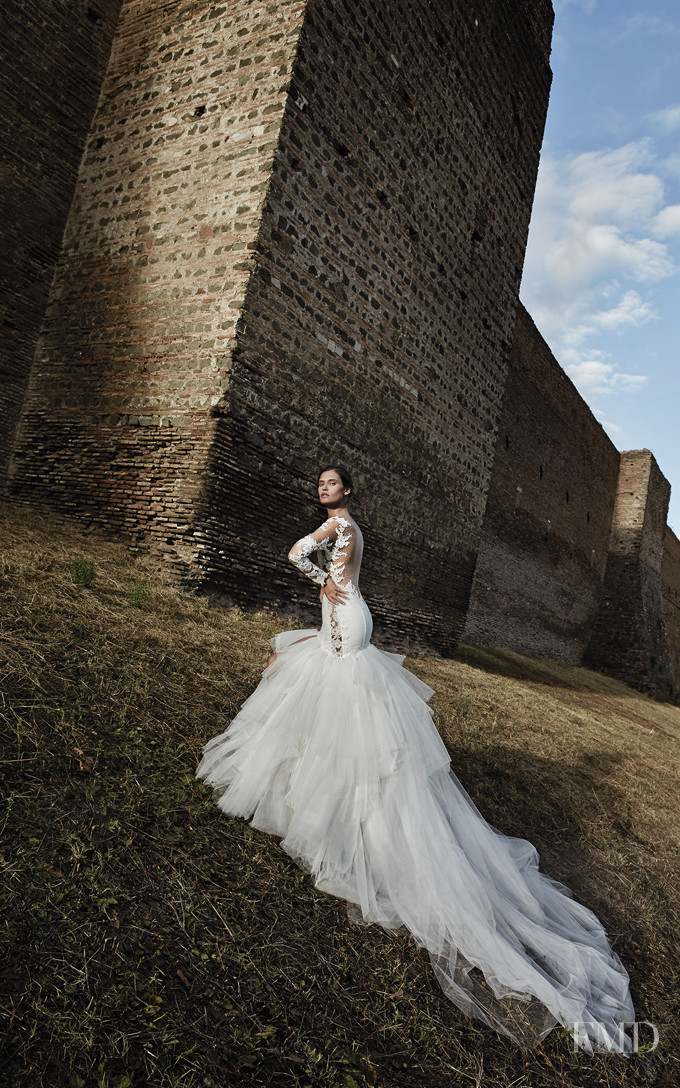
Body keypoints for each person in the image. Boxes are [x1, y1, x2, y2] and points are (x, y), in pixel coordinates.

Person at [195, 466, 636, 1056]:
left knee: (343, 697)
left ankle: (353, 807)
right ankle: (322, 789)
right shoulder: (338, 528)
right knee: (314, 684)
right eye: (321, 484)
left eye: (333, 485)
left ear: (347, 492)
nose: (325, 490)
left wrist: (321, 572)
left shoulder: (342, 526)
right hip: (341, 614)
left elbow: (299, 552)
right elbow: (306, 556)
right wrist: (321, 577)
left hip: (347, 622)